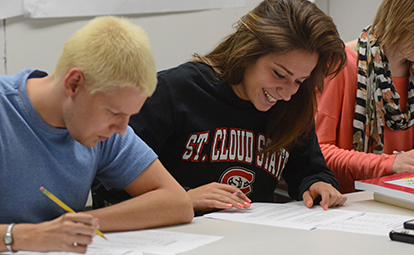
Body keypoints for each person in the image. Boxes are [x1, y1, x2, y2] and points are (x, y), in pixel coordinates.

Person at [126, 0, 348, 215]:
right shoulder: (175, 91)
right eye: (279, 74)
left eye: (299, 81)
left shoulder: (293, 104)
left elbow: (310, 171)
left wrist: (320, 185)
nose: (288, 93)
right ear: (247, 53)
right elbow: (112, 181)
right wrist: (184, 198)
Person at [0, 16, 193, 253]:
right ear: (73, 84)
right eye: (113, 113)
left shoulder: (104, 130)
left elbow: (177, 203)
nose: (122, 129)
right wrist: (24, 235)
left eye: (129, 116)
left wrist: (79, 225)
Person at [315, 0, 414, 194]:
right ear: (403, 22)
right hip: (352, 203)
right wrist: (390, 163)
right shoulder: (341, 64)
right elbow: (318, 153)